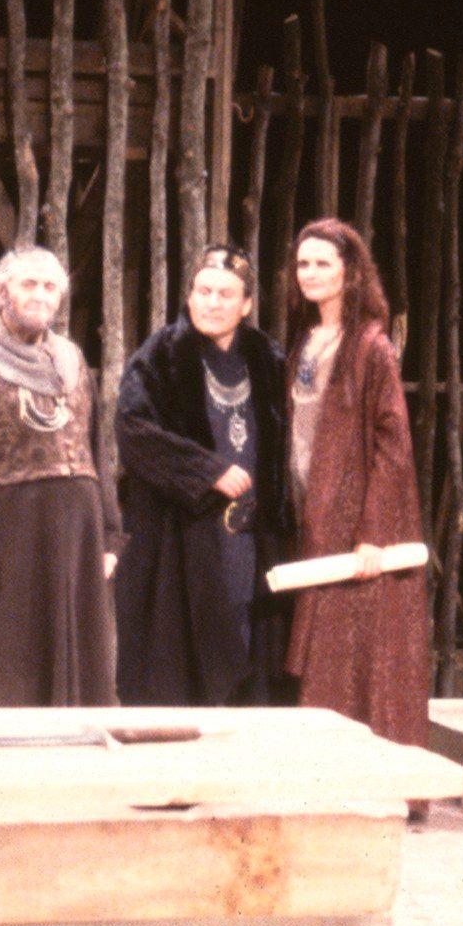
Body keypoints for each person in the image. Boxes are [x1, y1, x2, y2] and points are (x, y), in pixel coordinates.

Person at [0, 244, 119, 705]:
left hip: (75, 540)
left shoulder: (72, 359)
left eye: (50, 286)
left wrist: (109, 537)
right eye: (28, 284)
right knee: (5, 667)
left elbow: (96, 453)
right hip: (7, 539)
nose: (40, 295)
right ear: (2, 292)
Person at [114, 245, 297, 705]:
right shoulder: (160, 356)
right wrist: (206, 471)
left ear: (247, 304)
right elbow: (133, 432)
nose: (212, 303)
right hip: (185, 535)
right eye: (203, 291)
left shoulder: (267, 358)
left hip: (250, 537)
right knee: (186, 656)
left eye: (225, 294)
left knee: (248, 641)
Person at [280, 220, 431, 746]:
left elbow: (394, 444)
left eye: (323, 263)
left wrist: (373, 532)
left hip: (354, 522)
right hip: (315, 515)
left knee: (354, 652)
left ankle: (370, 767)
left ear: (350, 274)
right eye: (303, 263)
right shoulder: (306, 341)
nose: (310, 273)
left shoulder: (371, 346)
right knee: (326, 651)